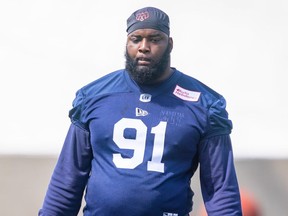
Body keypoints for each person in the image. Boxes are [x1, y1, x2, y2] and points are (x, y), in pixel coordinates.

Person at [39, 6, 242, 216]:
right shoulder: (94, 96)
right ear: (127, 43)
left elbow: (221, 189)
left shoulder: (203, 104)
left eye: (155, 39)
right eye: (136, 39)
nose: (144, 47)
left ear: (170, 44)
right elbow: (67, 181)